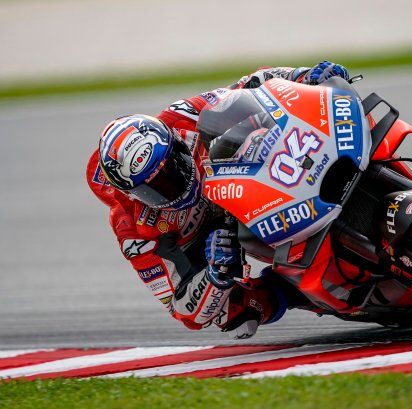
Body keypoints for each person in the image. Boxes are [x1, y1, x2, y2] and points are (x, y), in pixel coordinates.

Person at [86, 61, 350, 339]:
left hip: (246, 179)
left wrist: (301, 75)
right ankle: (306, 291)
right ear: (132, 194)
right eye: (154, 189)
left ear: (175, 141)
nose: (173, 185)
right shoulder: (132, 230)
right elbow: (182, 308)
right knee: (233, 315)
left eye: (173, 166)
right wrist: (215, 276)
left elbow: (249, 86)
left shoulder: (181, 117)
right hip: (218, 237)